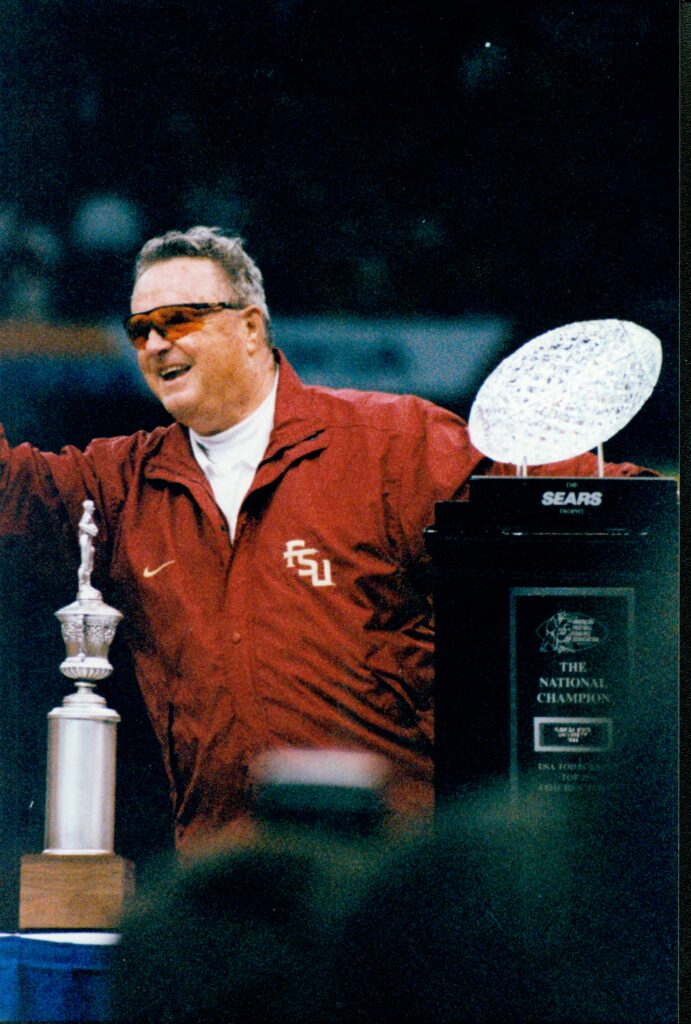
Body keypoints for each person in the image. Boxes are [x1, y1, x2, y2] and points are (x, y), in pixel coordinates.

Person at [0, 226, 651, 852]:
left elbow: (589, 496)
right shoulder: (120, 485)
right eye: (140, 329)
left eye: (178, 320)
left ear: (249, 327)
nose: (155, 343)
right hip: (226, 875)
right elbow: (9, 491)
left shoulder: (390, 444)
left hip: (382, 874)